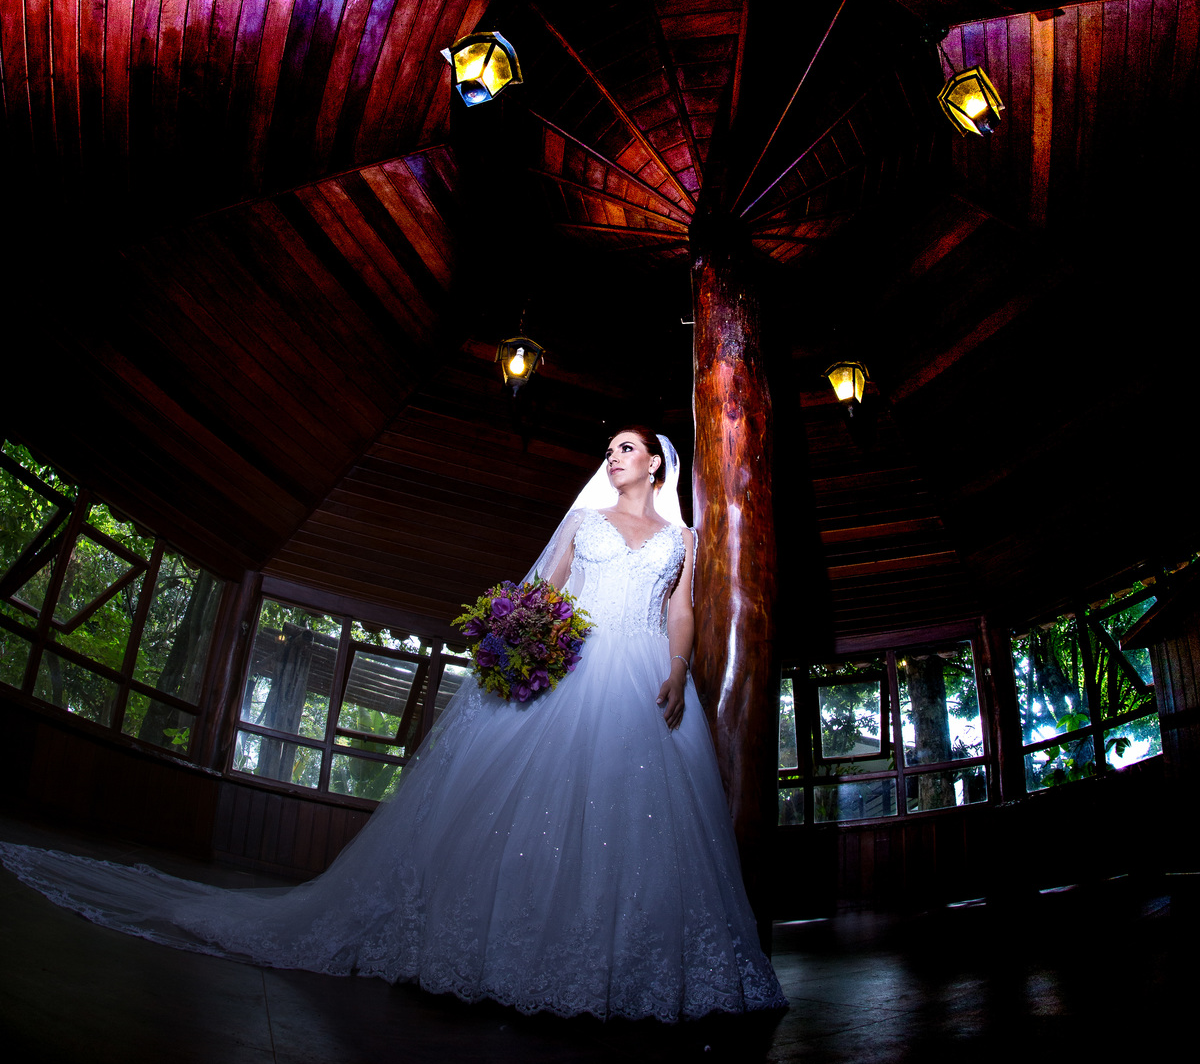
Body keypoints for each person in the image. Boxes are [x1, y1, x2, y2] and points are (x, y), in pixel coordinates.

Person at [0, 428, 785, 1022]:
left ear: (655, 465)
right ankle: (502, 952)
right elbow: (542, 595)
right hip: (577, 668)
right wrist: (519, 643)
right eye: (608, 449)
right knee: (534, 811)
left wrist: (677, 669)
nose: (611, 458)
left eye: (624, 449)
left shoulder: (681, 540)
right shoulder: (585, 522)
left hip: (646, 675)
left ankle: (628, 967)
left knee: (634, 815)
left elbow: (682, 611)